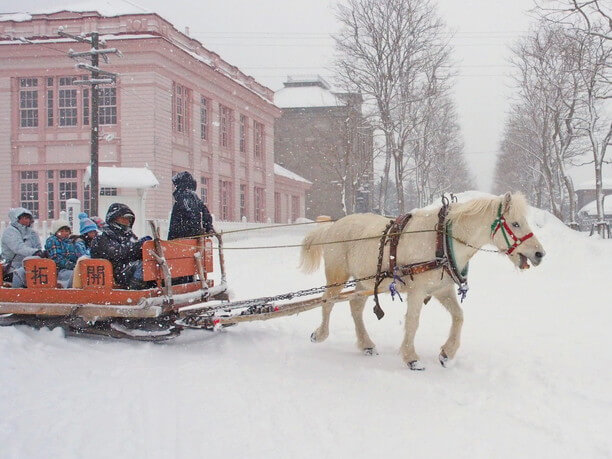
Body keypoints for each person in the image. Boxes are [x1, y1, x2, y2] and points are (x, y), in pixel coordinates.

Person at [90, 203, 151, 290]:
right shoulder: (103, 237)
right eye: (124, 217)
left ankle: (153, 288)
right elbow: (117, 253)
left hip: (126, 269)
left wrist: (146, 248)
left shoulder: (129, 235)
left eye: (129, 218)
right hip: (112, 273)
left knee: (152, 264)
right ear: (114, 218)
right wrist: (138, 245)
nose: (127, 221)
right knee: (143, 266)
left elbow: (132, 252)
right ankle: (133, 293)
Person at [1, 207, 43, 288]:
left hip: (30, 266)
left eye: (28, 218)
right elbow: (18, 248)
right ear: (16, 219)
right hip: (12, 268)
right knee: (23, 274)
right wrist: (34, 252)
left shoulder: (32, 233)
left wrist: (40, 253)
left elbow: (38, 247)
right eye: (24, 218)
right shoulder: (10, 232)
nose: (27, 221)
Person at [168, 171, 214, 240]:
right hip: (193, 237)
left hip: (182, 239)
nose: (175, 187)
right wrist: (208, 227)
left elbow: (189, 214)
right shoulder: (194, 196)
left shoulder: (183, 196)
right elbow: (205, 211)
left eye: (175, 185)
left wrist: (189, 231)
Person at [44, 219, 87, 288]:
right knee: (76, 275)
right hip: (58, 270)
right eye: (61, 231)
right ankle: (68, 289)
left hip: (71, 268)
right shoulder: (53, 241)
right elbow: (56, 259)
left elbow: (76, 256)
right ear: (56, 232)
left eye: (66, 231)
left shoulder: (71, 242)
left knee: (83, 274)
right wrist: (72, 266)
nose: (65, 233)